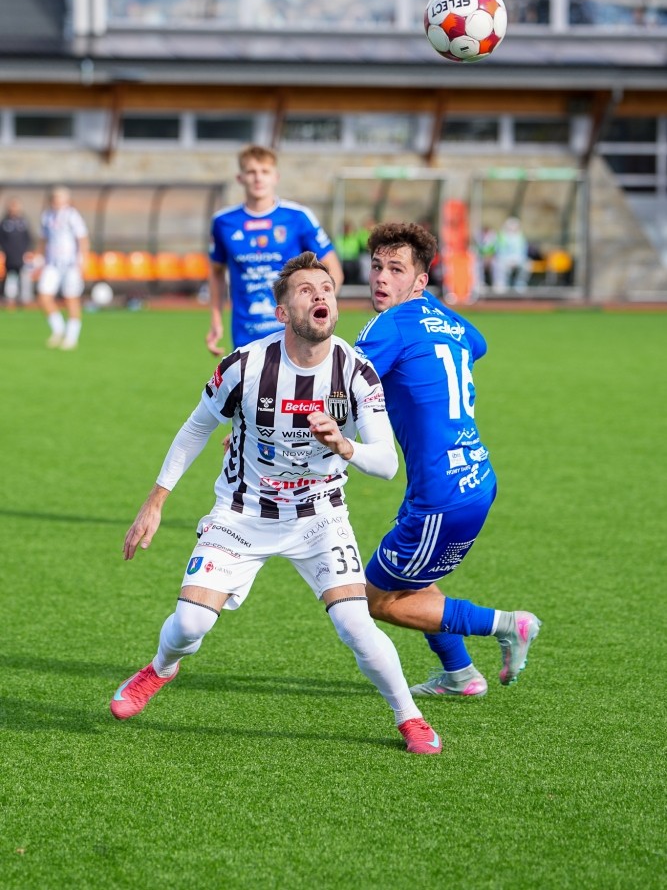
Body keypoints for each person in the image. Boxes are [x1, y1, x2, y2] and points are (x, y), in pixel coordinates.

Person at [111, 252, 441, 755]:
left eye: (326, 289)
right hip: (242, 515)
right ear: (283, 312)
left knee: (355, 624)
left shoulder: (357, 372)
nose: (321, 295)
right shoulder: (244, 365)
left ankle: (409, 717)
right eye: (306, 290)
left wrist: (344, 445)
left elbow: (387, 463)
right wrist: (156, 500)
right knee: (190, 625)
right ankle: (161, 668)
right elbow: (196, 428)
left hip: (320, 517)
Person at [354, 222, 541, 698]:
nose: (382, 278)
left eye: (397, 269)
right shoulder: (445, 320)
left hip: (442, 492)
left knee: (376, 600)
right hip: (471, 478)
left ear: (420, 280)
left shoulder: (387, 325)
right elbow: (478, 342)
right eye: (377, 266)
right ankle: (461, 675)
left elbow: (344, 384)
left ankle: (508, 624)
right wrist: (429, 309)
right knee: (415, 580)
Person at [206, 145, 344, 354]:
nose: (258, 178)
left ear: (275, 177)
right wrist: (216, 320)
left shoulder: (298, 217)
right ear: (240, 178)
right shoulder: (223, 222)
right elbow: (216, 272)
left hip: (293, 332)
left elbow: (334, 270)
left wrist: (321, 311)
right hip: (246, 334)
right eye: (251, 172)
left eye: (265, 171)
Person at [36, 187, 89, 349]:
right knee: (44, 296)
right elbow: (43, 239)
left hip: (70, 264)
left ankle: (71, 337)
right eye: (54, 198)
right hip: (52, 264)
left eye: (60, 199)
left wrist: (83, 259)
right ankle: (58, 329)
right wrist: (38, 257)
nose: (57, 202)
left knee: (71, 299)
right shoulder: (47, 216)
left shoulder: (72, 216)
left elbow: (82, 238)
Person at [0, 198, 33, 309]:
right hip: (10, 256)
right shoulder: (5, 223)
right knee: (11, 278)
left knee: (25, 278)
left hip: (22, 255)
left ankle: (26, 300)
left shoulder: (23, 222)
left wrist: (28, 251)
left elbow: (28, 238)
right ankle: (10, 300)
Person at [492, 216, 530, 294]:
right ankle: (501, 284)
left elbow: (523, 251)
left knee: (527, 265)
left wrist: (516, 260)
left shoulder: (520, 237)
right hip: (504, 259)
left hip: (518, 259)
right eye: (511, 226)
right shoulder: (502, 236)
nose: (513, 228)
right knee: (499, 265)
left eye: (515, 226)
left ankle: (520, 284)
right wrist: (508, 260)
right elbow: (499, 251)